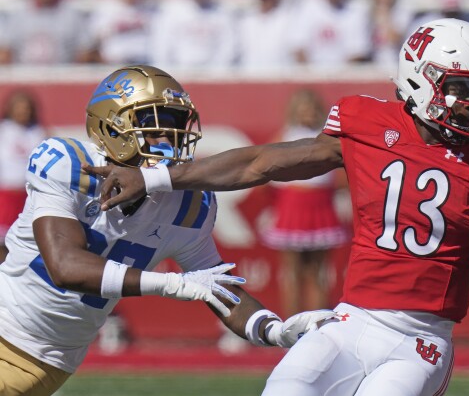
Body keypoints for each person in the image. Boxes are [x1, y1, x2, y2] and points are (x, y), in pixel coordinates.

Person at [85, 19, 469, 395]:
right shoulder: (366, 123)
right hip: (350, 321)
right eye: (463, 88)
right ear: (419, 79)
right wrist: (154, 175)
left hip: (422, 338)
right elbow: (262, 163)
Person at [0, 65, 333, 396]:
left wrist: (273, 330)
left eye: (174, 125)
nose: (168, 139)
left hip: (46, 362)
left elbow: (216, 286)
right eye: (153, 126)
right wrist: (173, 284)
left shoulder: (188, 205)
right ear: (112, 127)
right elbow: (65, 267)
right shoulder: (68, 162)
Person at [261, 89, 348, 317]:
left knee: (318, 271)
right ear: (294, 111)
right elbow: (265, 172)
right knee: (292, 272)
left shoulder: (327, 137)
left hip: (320, 204)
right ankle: (291, 325)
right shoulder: (285, 135)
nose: (308, 114)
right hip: (293, 204)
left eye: (312, 109)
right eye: (303, 109)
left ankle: (318, 323)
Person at [0, 90, 47, 262]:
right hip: (5, 194)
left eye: (26, 108)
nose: (23, 112)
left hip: (28, 195)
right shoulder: (4, 130)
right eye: (19, 108)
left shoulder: (39, 132)